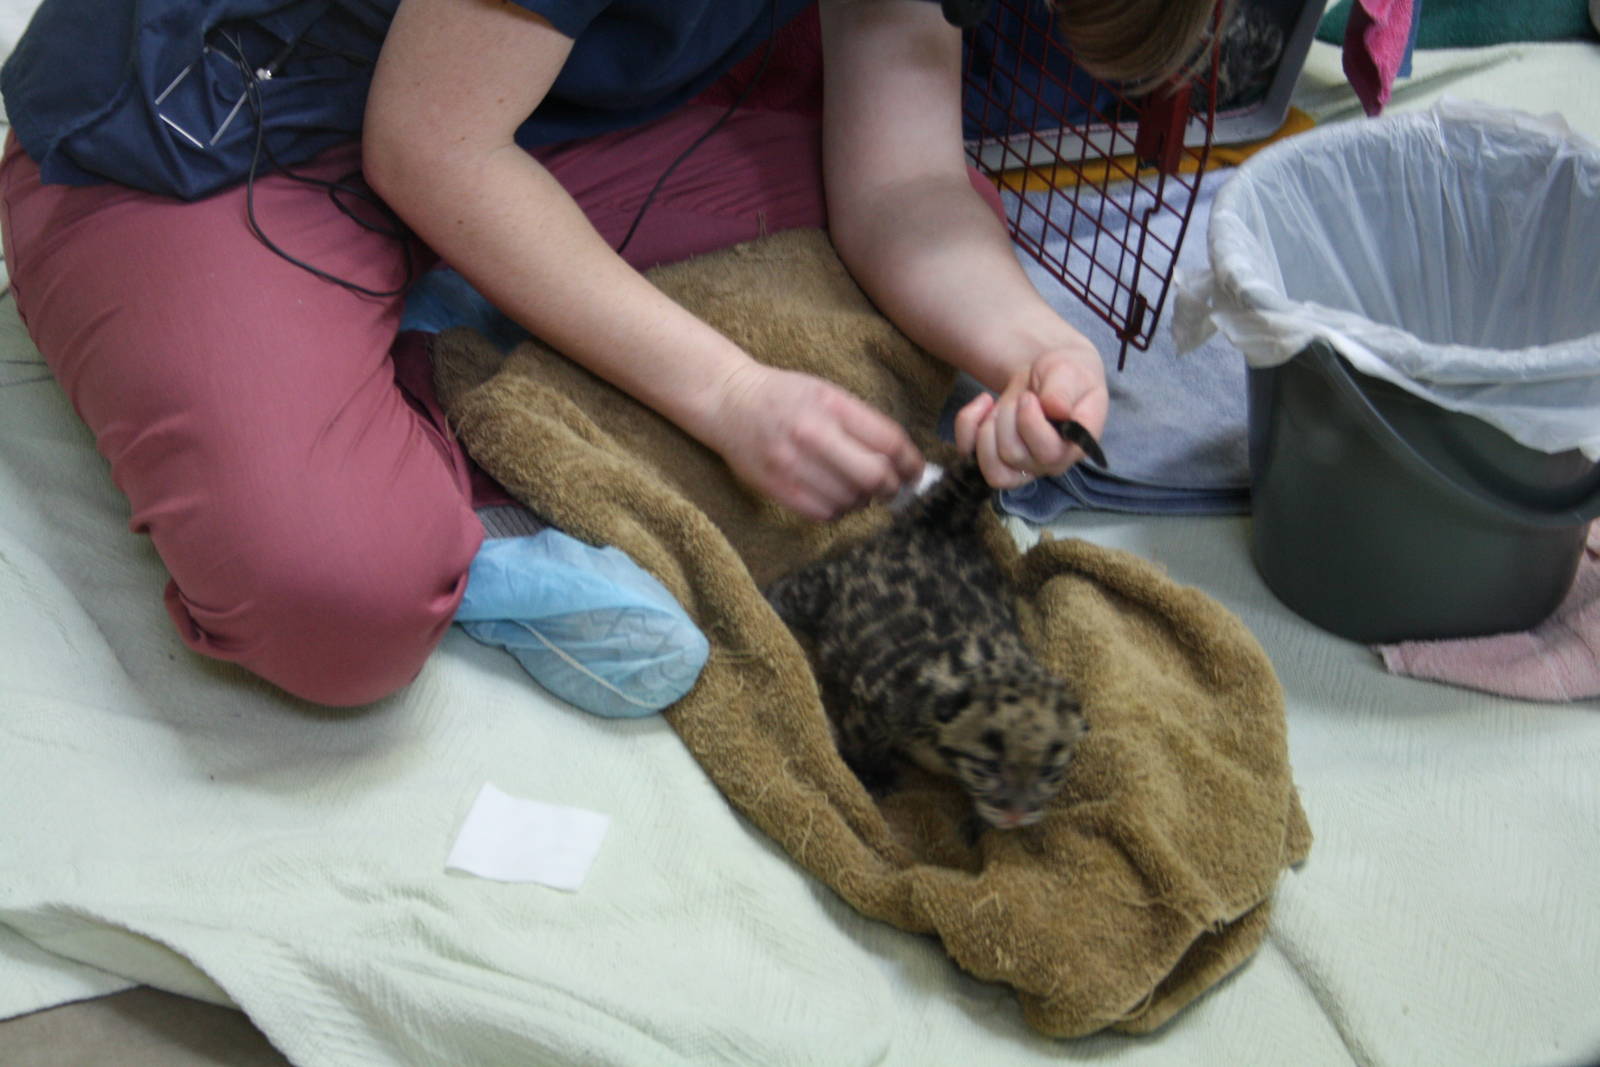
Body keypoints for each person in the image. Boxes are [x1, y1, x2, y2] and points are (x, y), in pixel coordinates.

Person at [0, 0, 1220, 710]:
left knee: (884, 222)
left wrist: (1032, 342)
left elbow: (899, 172)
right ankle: (457, 507)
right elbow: (431, 147)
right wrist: (731, 393)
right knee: (330, 593)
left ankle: (449, 323)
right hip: (237, 125)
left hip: (519, 97)